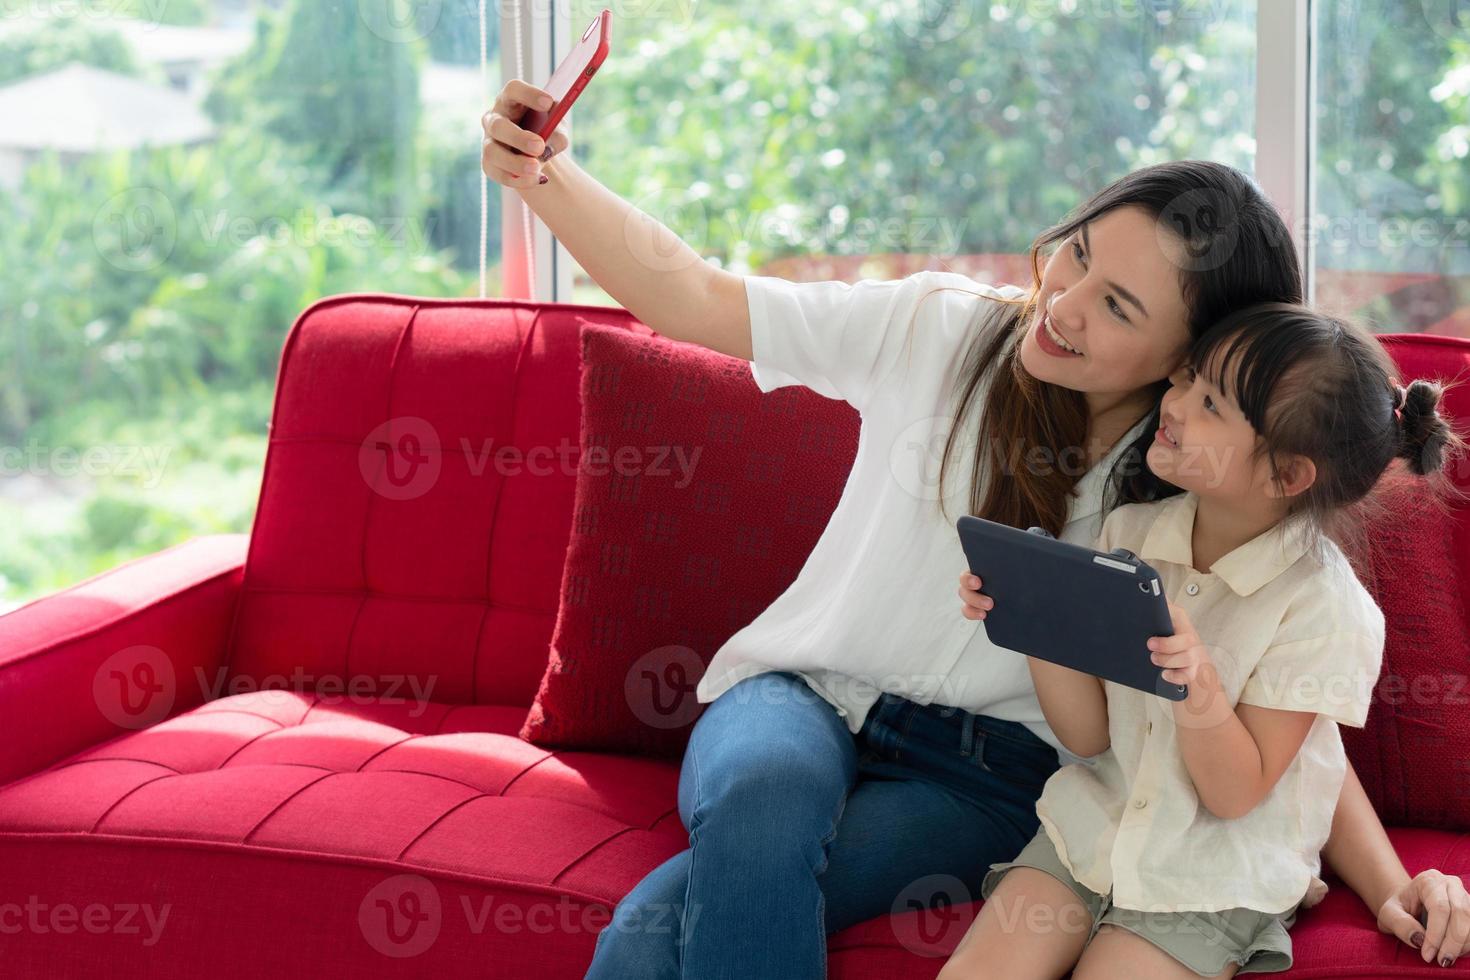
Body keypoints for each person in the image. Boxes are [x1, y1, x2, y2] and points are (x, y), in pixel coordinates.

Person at [479, 79, 1470, 978]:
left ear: (1193, 354)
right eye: (1076, 255)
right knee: (761, 805)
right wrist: (547, 172)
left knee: (652, 934)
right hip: (804, 691)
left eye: (1117, 305)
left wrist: (1392, 881)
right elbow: (691, 296)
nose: (1063, 306)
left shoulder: (1189, 479)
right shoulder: (942, 327)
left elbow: (1280, 712)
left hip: (985, 774)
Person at [942, 304, 1463, 979]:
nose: (1176, 402)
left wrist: (1202, 691)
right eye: (1188, 378)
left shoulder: (1324, 608)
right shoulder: (1127, 534)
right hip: (1091, 834)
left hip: (1211, 880)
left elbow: (1235, 794)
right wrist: (1034, 621)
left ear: (1286, 475)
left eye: (1211, 402)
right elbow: (1088, 735)